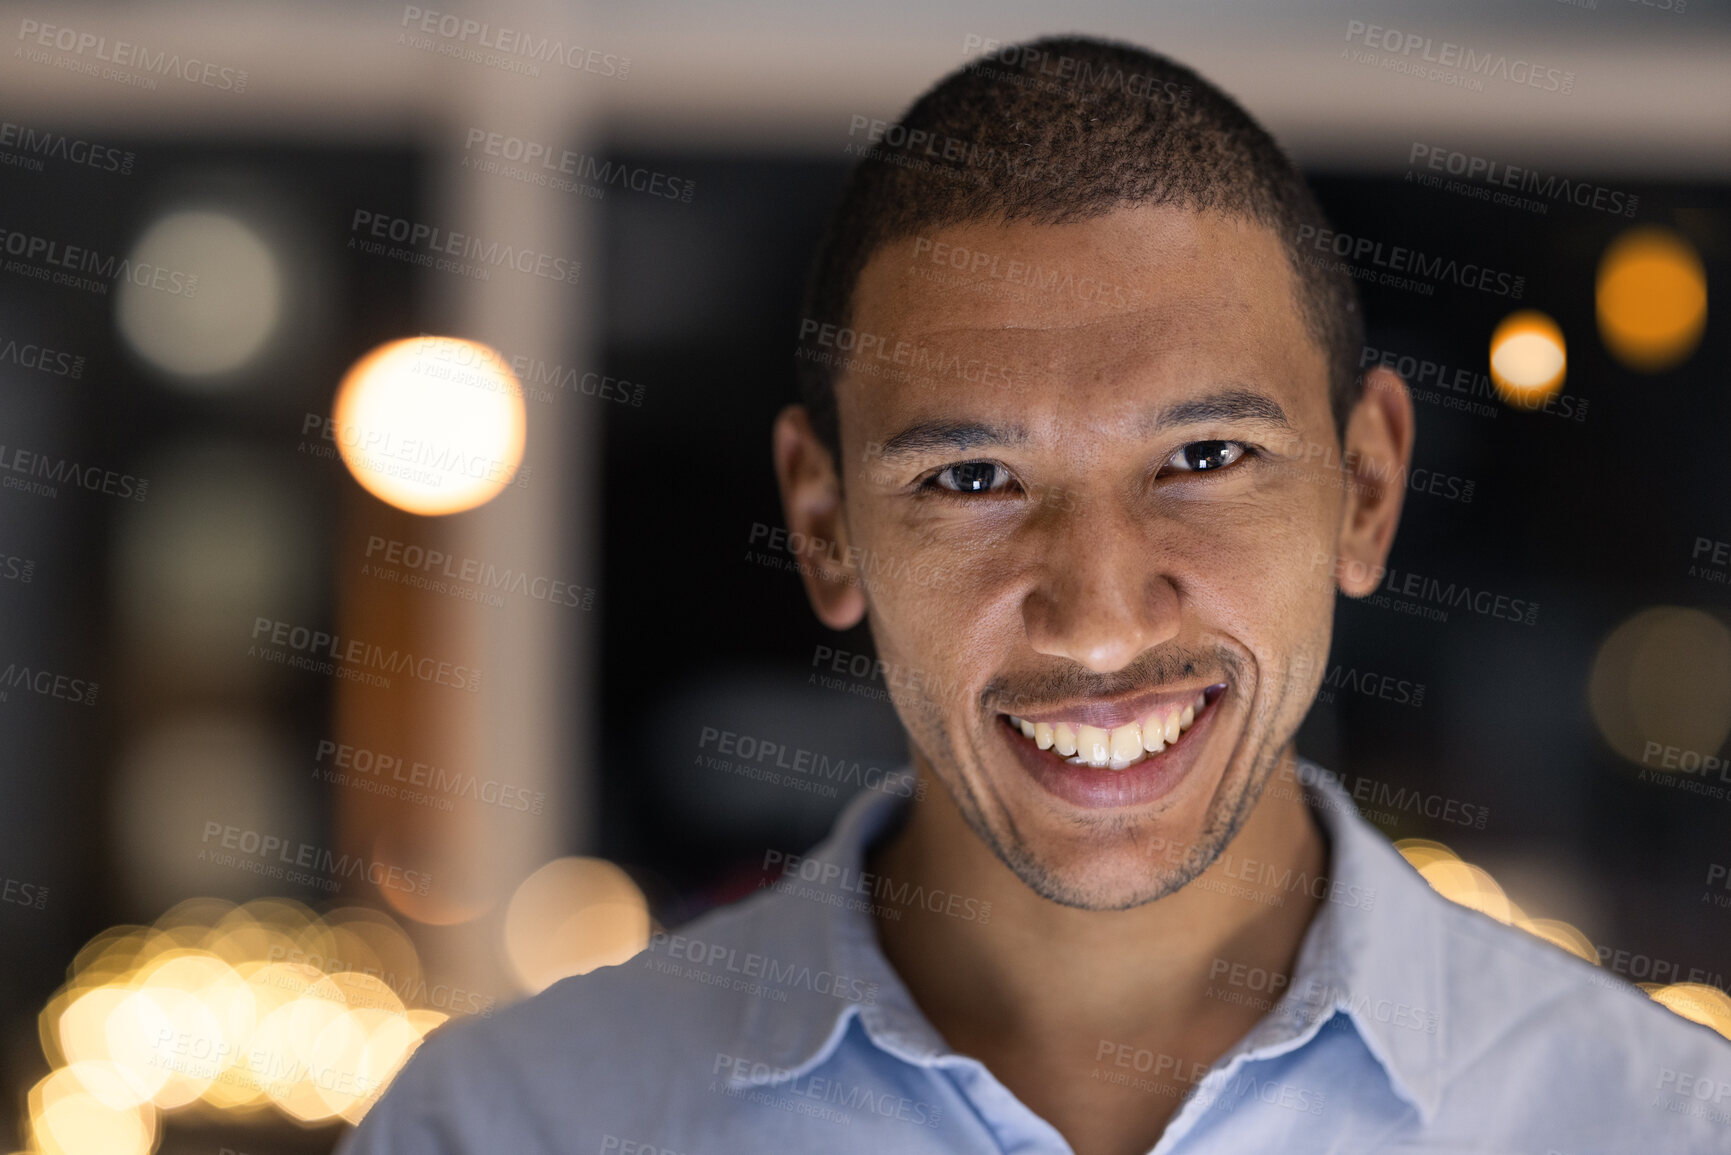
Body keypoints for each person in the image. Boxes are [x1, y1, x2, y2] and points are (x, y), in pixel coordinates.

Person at [340, 36, 1731, 1155]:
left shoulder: (1665, 1129)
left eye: (1203, 458)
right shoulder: (496, 1130)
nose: (1103, 616)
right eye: (970, 481)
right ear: (824, 529)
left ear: (1365, 489)